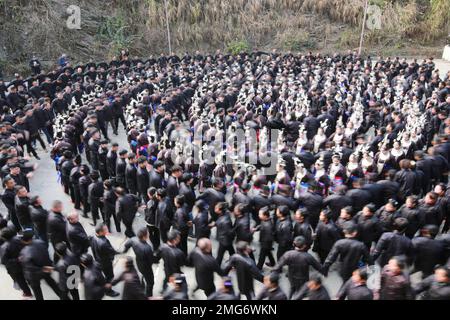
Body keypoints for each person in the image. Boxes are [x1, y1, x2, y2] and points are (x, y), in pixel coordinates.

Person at [19, 230, 61, 300]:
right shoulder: (40, 242)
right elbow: (46, 255)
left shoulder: (24, 252)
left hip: (34, 275)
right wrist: (47, 268)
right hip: (46, 269)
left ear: (23, 240)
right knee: (53, 284)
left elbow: (30, 268)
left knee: (37, 292)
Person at [122, 227, 156, 297]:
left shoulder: (133, 239)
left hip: (138, 262)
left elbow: (126, 245)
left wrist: (124, 251)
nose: (149, 234)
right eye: (148, 233)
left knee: (142, 274)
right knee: (150, 283)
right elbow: (151, 260)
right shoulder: (147, 248)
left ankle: (142, 285)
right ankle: (148, 296)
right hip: (146, 267)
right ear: (145, 236)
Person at [0, 227, 33, 298]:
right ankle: (31, 284)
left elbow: (4, 261)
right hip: (25, 262)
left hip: (15, 267)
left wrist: (17, 260)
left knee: (21, 280)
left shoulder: (4, 247)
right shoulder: (19, 239)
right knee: (28, 276)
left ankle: (28, 293)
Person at [89, 223, 120, 297]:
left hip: (98, 260)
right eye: (105, 229)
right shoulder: (103, 243)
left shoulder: (93, 237)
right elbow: (112, 251)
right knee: (109, 276)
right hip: (105, 263)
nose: (107, 230)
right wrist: (120, 252)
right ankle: (108, 291)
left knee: (105, 275)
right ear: (100, 232)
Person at [210, 202, 235, 266]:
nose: (214, 209)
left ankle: (217, 266)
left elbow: (229, 232)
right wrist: (215, 224)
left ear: (220, 210)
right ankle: (235, 261)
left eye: (216, 208)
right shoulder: (224, 214)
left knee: (220, 255)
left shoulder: (225, 222)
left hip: (224, 240)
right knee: (231, 250)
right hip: (226, 239)